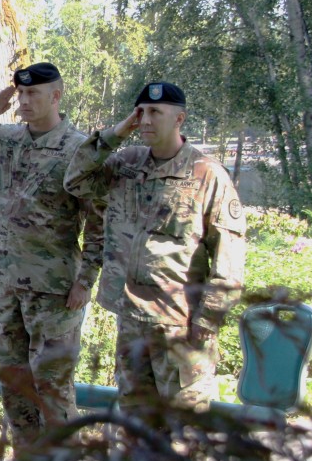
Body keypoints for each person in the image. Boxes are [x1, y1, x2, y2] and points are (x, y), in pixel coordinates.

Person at [0, 63, 103, 445]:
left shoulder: (78, 149)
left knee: (52, 388)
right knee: (14, 385)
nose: (25, 101)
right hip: (7, 284)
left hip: (55, 289)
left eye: (34, 94)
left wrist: (86, 280)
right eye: (21, 94)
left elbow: (99, 222)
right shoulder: (4, 139)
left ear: (56, 96)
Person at [64, 82, 245, 410]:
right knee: (135, 423)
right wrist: (117, 132)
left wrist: (205, 324)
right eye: (141, 112)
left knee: (183, 430)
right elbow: (75, 179)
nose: (145, 120)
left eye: (155, 112)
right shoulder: (126, 164)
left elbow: (228, 260)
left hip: (180, 327)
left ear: (179, 119)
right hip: (131, 319)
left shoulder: (207, 175)